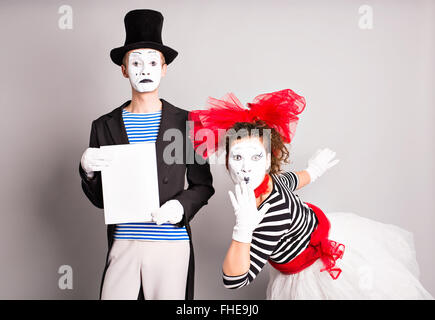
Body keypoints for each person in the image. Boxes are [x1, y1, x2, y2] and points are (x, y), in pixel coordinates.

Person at [189, 88, 433, 299]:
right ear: (227, 161)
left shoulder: (272, 199)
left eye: (255, 157)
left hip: (328, 255)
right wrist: (243, 229)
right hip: (300, 268)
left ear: (268, 161)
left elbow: (292, 180)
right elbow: (235, 279)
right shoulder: (265, 196)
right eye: (238, 157)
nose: (245, 166)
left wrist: (314, 170)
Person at [79, 9, 214, 300]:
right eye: (136, 62)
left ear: (164, 69)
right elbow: (103, 200)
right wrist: (88, 171)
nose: (145, 70)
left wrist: (179, 207)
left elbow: (203, 186)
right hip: (124, 242)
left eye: (153, 62)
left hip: (170, 244)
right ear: (124, 69)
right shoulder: (103, 125)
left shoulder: (188, 123)